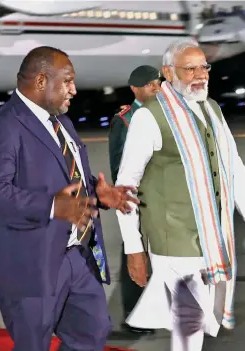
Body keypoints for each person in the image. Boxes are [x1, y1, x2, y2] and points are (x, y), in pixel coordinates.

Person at [0, 46, 139, 351]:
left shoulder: (61, 123)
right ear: (40, 81)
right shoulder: (2, 128)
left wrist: (97, 194)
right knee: (32, 343)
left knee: (93, 331)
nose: (73, 90)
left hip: (76, 256)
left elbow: (66, 176)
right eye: (67, 81)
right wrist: (51, 206)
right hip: (31, 264)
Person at [114, 38, 245, 351]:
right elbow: (125, 187)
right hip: (175, 242)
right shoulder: (149, 117)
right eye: (190, 69)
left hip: (213, 239)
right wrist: (134, 250)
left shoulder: (211, 109)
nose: (200, 74)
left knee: (194, 323)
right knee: (190, 323)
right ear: (168, 74)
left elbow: (233, 168)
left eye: (204, 66)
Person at [108, 65, 160, 334]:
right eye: (150, 84)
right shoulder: (126, 120)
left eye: (157, 83)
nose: (156, 87)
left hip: (162, 201)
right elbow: (119, 166)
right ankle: (134, 317)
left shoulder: (162, 116)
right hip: (138, 201)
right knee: (134, 252)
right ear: (135, 89)